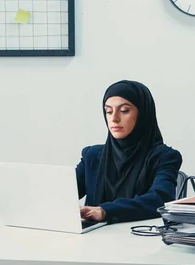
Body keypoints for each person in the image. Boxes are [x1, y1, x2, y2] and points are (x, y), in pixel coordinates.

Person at [75, 80, 183, 224]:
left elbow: (160, 199)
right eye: (108, 111)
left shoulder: (164, 157)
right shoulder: (92, 156)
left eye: (124, 110)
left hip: (138, 240)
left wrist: (105, 211)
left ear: (142, 113)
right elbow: (64, 193)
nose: (114, 118)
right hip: (92, 239)